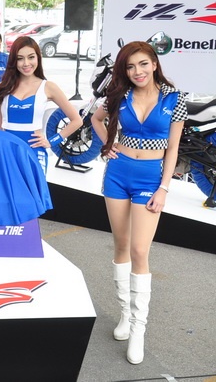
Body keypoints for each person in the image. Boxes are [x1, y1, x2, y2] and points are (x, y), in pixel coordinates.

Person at [91, 41, 186, 365]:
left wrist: (164, 188)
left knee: (139, 251)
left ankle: (138, 329)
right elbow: (96, 119)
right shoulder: (119, 95)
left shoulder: (174, 99)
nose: (137, 71)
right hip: (118, 175)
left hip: (150, 180)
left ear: (154, 64)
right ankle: (125, 314)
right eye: (130, 66)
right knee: (121, 246)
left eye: (143, 64)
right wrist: (107, 145)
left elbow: (173, 148)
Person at [0, 36, 82, 173]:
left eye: (31, 57)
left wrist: (51, 141)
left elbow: (77, 120)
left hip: (34, 151)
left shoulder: (48, 87)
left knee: (34, 187)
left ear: (38, 58)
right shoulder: (1, 88)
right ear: (13, 61)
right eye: (20, 58)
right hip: (6, 151)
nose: (26, 63)